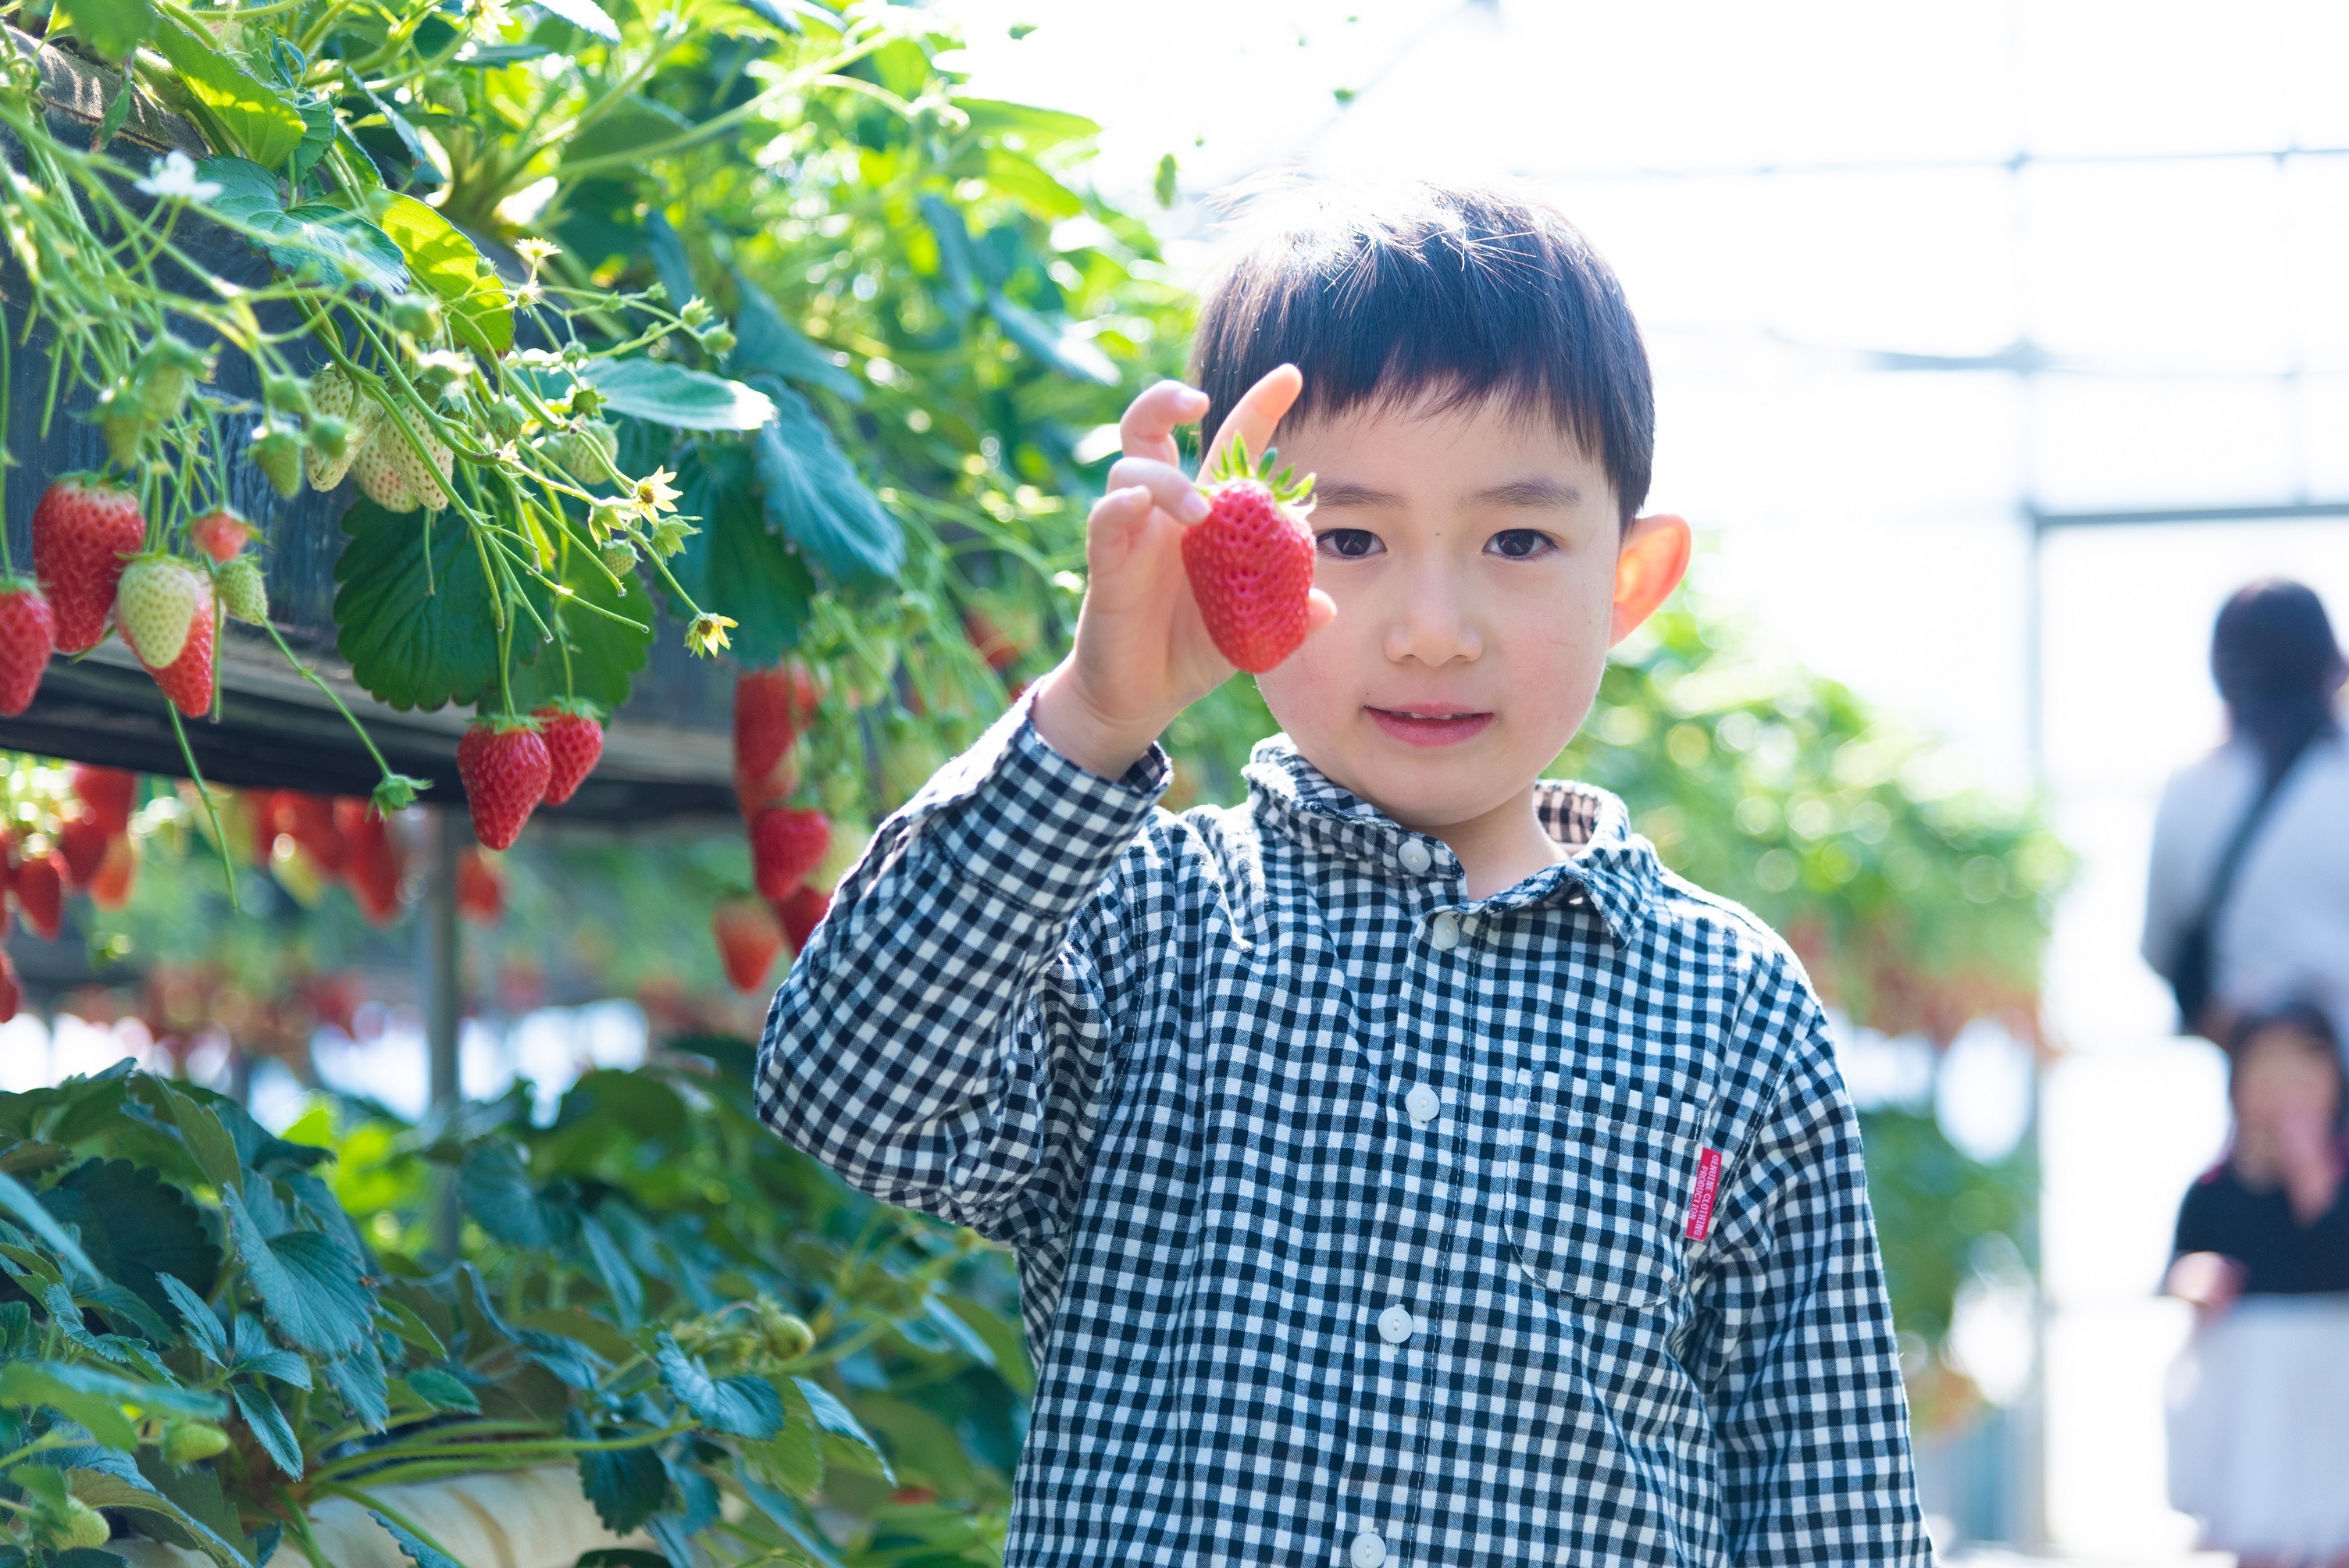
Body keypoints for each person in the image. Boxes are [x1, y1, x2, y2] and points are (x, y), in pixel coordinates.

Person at [756, 183, 1928, 1564]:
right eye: (1349, 538)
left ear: (1630, 574)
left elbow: (1823, 1493)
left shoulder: (1730, 1005)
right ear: (1223, 557)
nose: (1431, 630)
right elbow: (847, 1092)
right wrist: (1093, 710)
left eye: (1516, 540)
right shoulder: (1150, 919)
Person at [2164, 1003, 2349, 1563]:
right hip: (2252, 1395)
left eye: (2303, 1074)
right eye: (2266, 1073)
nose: (2284, 1092)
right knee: (2261, 1535)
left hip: (2331, 1389)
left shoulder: (2337, 1183)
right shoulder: (2212, 1190)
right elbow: (2177, 1267)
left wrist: (2309, 1172)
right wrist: (2193, 1280)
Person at [2144, 581, 2349, 1046]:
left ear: (2221, 671)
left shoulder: (2190, 790)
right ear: (2330, 664)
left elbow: (2161, 951)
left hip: (2258, 1078)